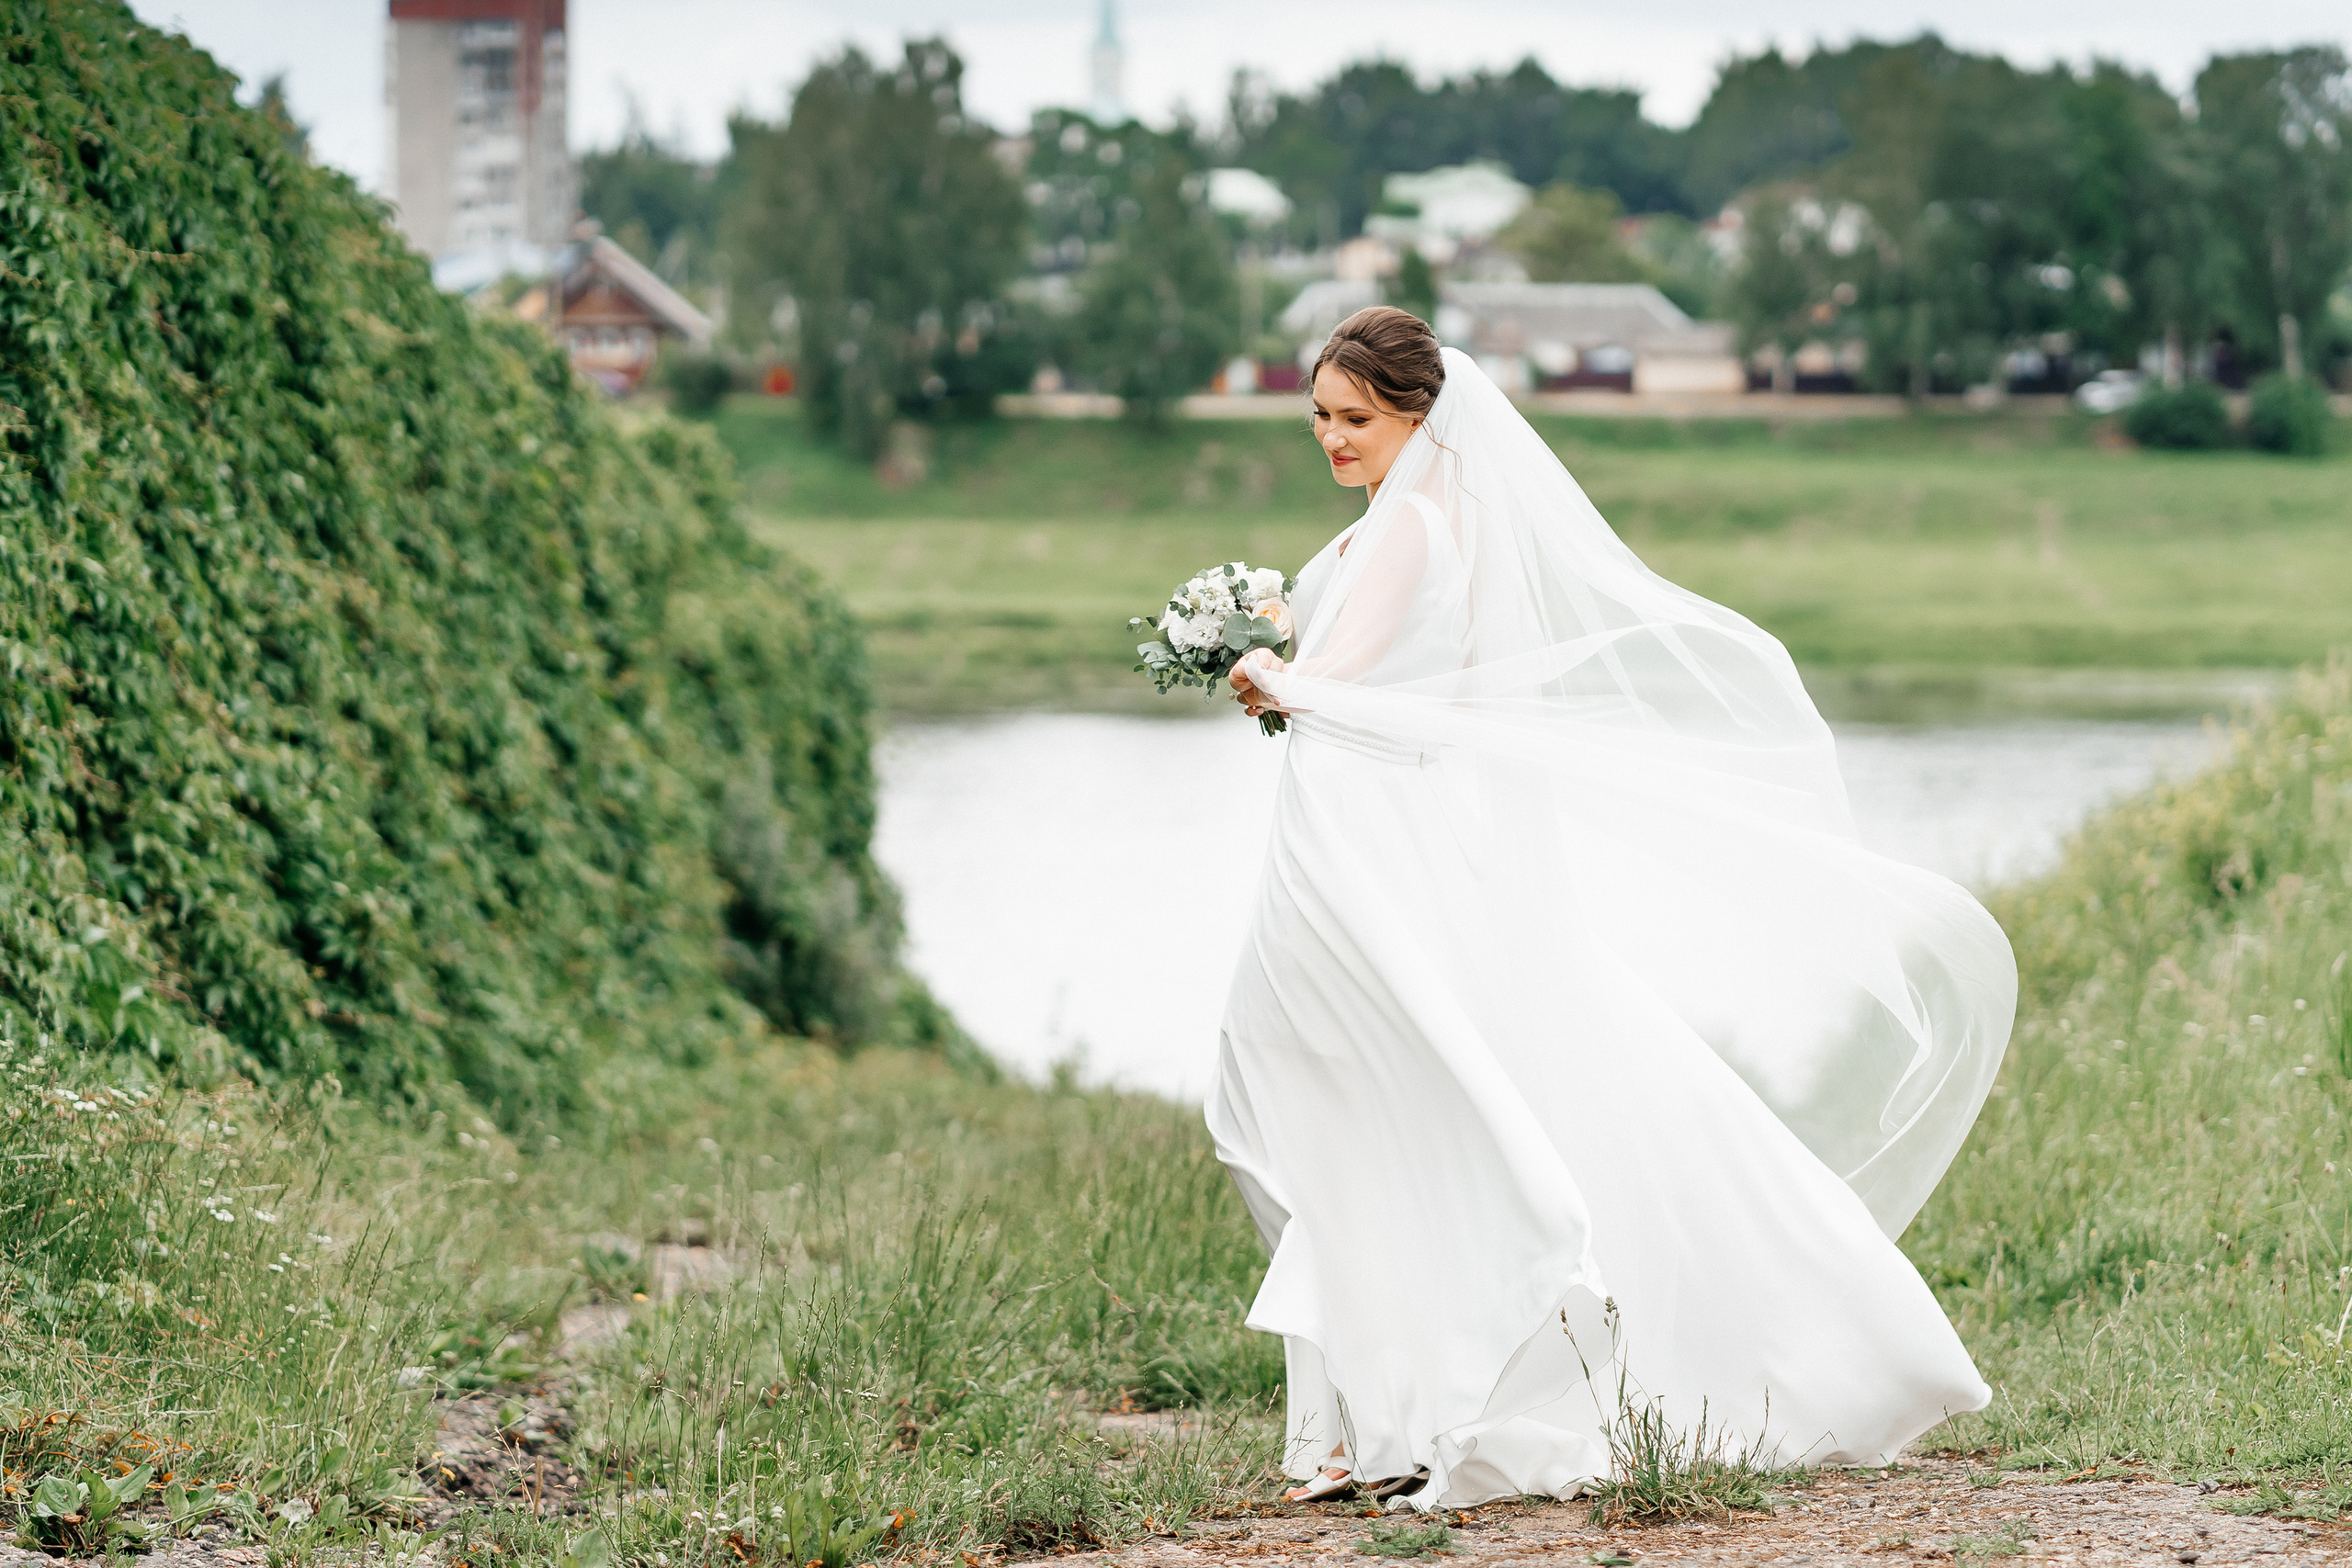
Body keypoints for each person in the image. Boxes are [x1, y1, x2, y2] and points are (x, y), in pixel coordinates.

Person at [1214, 307, 2015, 1510]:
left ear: (1419, 417)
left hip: (1356, 846)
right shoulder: (1448, 525)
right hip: (1389, 837)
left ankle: (1424, 1385)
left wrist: (1254, 665)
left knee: (1292, 1102)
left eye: (1356, 419)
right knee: (1356, 1107)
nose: (1332, 438)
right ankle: (1366, 1422)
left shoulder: (1406, 530)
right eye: (1320, 417)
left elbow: (1337, 697)